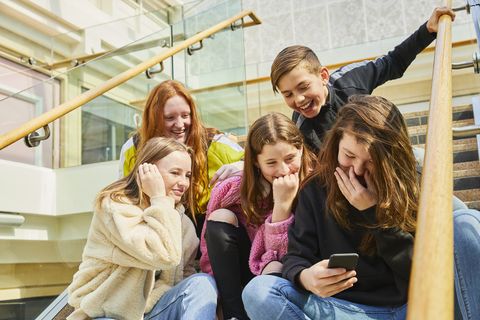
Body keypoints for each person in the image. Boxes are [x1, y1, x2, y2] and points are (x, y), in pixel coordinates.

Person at [242, 95, 480, 319]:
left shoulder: (416, 183)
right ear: (336, 145)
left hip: (419, 304)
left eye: (370, 162)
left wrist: (374, 213)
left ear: (390, 160)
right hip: (349, 310)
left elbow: (424, 273)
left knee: (465, 223)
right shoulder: (315, 188)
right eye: (348, 155)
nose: (356, 170)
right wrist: (306, 277)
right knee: (259, 292)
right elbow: (296, 256)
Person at [67, 137, 217, 320]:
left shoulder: (181, 221)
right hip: (105, 313)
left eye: (187, 175)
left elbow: (183, 275)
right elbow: (163, 256)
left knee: (201, 283)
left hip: (153, 311)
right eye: (175, 173)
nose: (184, 183)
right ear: (148, 170)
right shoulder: (115, 207)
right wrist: (158, 197)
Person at [270, 7, 455, 154]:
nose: (299, 99)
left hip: (386, 152)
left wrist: (427, 30)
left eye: (303, 87)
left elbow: (393, 63)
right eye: (288, 94)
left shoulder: (350, 80)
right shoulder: (300, 128)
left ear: (323, 76)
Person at [199, 112, 314, 320]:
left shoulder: (314, 186)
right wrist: (214, 291)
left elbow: (281, 255)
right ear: (255, 163)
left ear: (301, 150)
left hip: (288, 273)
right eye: (271, 163)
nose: (283, 170)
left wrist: (282, 205)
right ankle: (234, 315)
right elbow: (209, 248)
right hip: (245, 269)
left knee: (274, 265)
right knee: (220, 216)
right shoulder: (231, 189)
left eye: (290, 158)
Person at [119, 80, 244, 229]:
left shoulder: (214, 143)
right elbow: (126, 197)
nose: (179, 125)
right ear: (154, 119)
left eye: (185, 115)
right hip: (154, 225)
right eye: (170, 118)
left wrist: (240, 165)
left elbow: (256, 162)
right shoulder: (133, 149)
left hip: (207, 228)